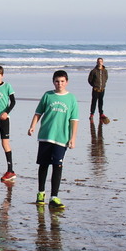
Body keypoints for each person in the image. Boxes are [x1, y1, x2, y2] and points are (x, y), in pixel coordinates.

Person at [28, 70, 78, 209]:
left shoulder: (71, 99)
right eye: (57, 81)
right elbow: (38, 113)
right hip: (46, 136)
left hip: (62, 138)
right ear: (53, 82)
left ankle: (54, 197)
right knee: (43, 165)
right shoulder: (48, 95)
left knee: (57, 165)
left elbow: (74, 120)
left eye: (62, 81)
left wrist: (73, 138)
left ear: (66, 82)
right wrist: (32, 126)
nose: (59, 84)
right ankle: (41, 193)